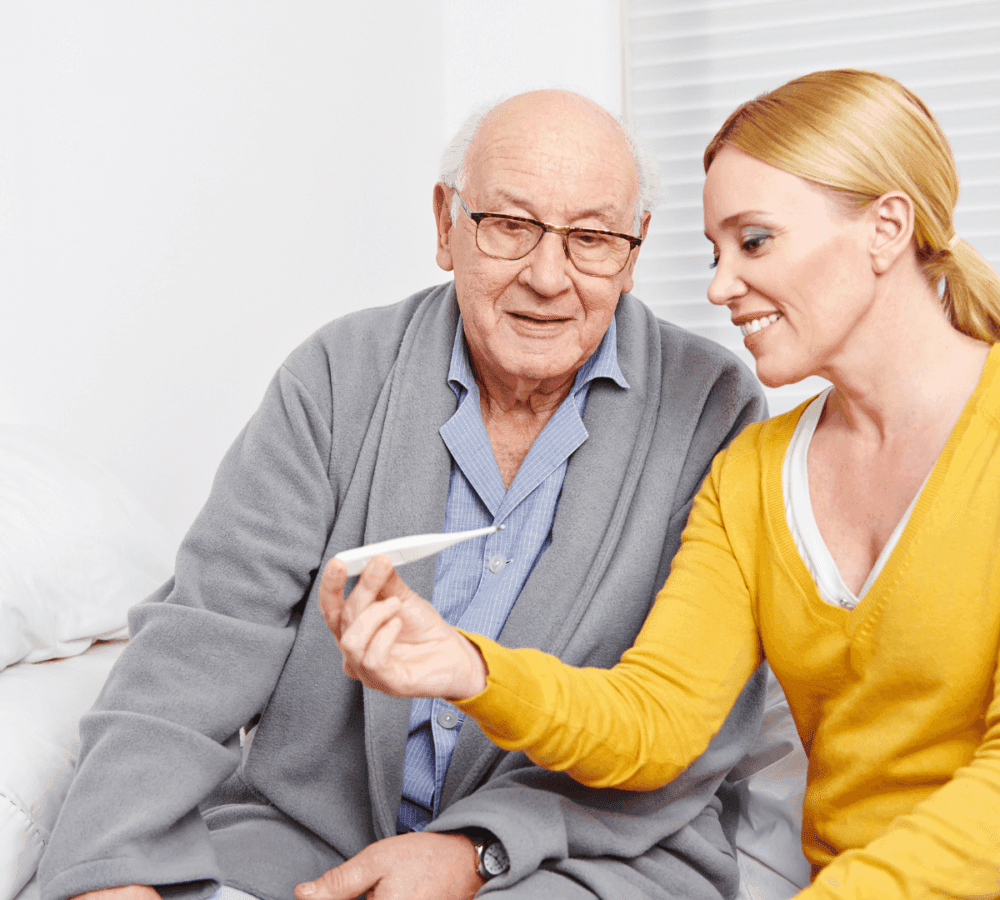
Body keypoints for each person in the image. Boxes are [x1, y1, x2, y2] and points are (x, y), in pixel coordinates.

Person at [39, 90, 775, 900]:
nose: (546, 275)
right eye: (509, 225)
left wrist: (476, 851)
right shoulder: (337, 374)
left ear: (631, 255)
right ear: (445, 226)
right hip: (314, 837)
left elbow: (690, 727)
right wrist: (106, 868)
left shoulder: (711, 406)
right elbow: (203, 635)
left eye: (592, 238)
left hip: (577, 852)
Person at [329, 69, 1000, 900]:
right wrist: (469, 667)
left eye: (755, 241)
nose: (720, 288)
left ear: (886, 228)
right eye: (715, 253)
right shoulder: (752, 476)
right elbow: (658, 721)